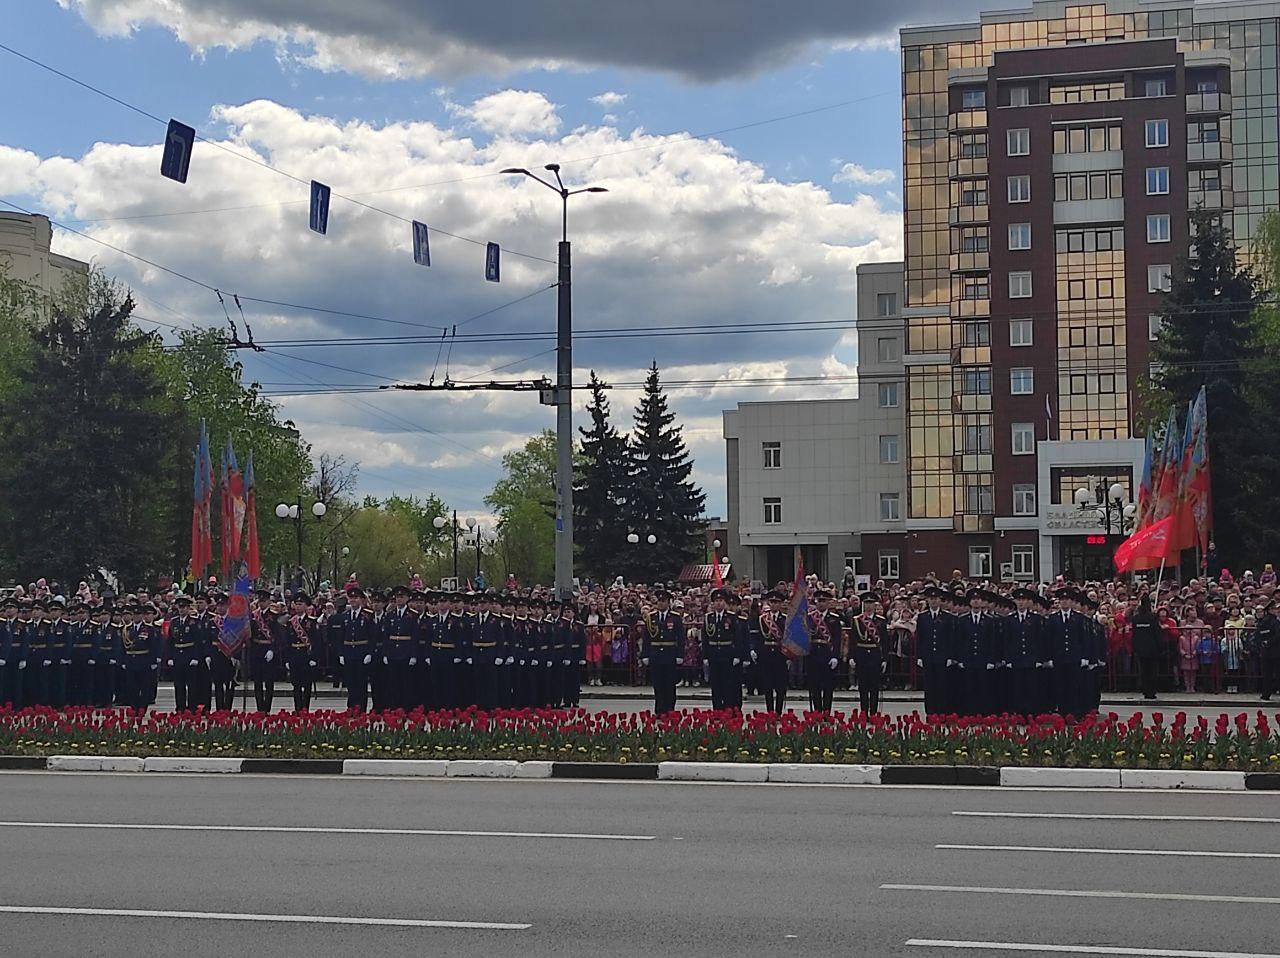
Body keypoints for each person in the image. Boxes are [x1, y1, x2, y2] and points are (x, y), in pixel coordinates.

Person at [641, 591, 683, 714]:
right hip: (655, 655)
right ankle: (659, 710)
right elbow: (646, 638)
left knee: (669, 685)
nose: (661, 603)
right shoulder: (651, 617)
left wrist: (679, 655)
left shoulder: (675, 618)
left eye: (663, 601)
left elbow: (680, 638)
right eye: (659, 601)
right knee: (658, 685)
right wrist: (645, 654)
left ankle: (670, 710)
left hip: (670, 654)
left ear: (668, 603)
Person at [1130, 593, 1162, 700]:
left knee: (1143, 671)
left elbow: (1134, 634)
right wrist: (1160, 647)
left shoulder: (1136, 618)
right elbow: (1157, 633)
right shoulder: (1152, 618)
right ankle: (1151, 691)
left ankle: (1145, 690)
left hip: (1140, 649)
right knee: (1152, 671)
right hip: (1152, 648)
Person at [1256, 599, 1279, 700]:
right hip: (1274, 651)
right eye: (1274, 609)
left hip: (1267, 651)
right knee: (1272, 674)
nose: (1276, 611)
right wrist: (1268, 642)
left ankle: (1266, 694)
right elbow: (1277, 635)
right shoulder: (1272, 622)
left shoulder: (1269, 621)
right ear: (1270, 610)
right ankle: (1267, 693)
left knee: (1268, 674)